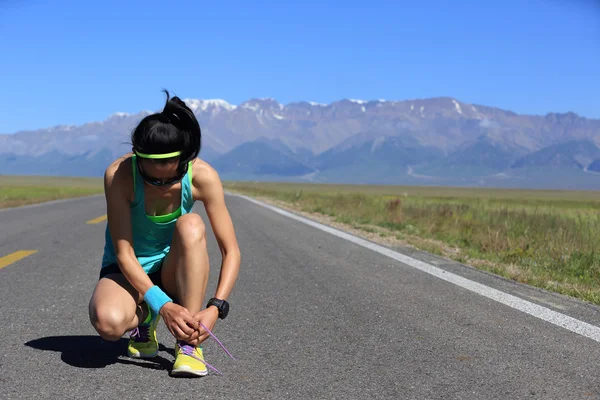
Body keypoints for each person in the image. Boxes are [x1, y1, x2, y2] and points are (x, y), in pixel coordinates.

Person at [88, 90, 241, 377]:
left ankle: (189, 344)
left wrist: (216, 307)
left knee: (191, 224)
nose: (161, 184)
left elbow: (230, 250)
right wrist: (162, 305)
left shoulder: (203, 176)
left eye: (171, 177)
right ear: (137, 159)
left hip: (174, 269)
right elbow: (124, 252)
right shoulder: (119, 175)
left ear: (184, 161)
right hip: (129, 269)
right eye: (150, 177)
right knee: (108, 325)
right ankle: (145, 315)